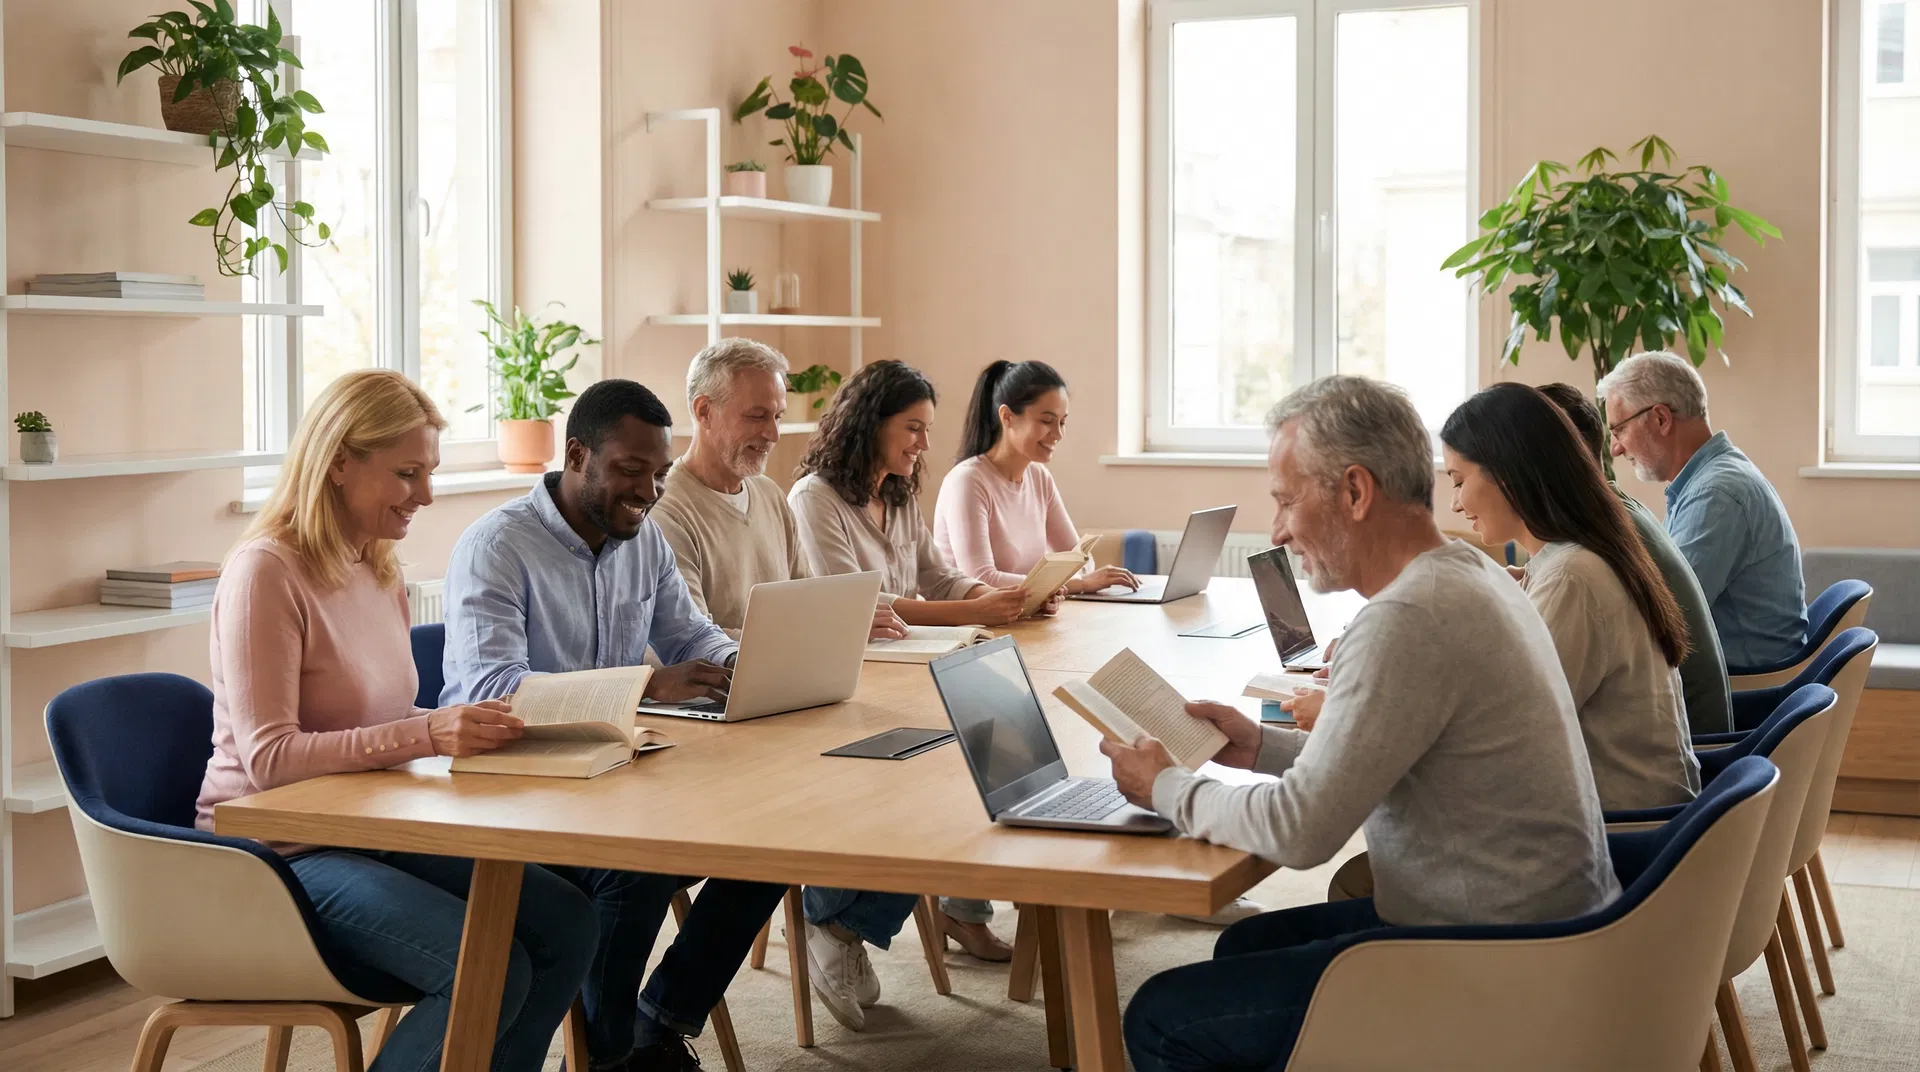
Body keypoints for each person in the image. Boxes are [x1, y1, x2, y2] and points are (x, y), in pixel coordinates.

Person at [1100, 375, 1620, 1072]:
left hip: (1491, 961)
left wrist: (1164, 786)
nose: (1278, 530)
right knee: (1245, 947)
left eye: (1287, 501)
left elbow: (1300, 831)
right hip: (1550, 928)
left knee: (1163, 1016)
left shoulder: (1405, 618)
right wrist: (1259, 747)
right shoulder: (1470, 571)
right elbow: (1392, 753)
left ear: (1354, 491)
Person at [195, 369, 620, 1072]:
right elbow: (270, 759)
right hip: (279, 853)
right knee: (485, 966)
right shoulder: (264, 572)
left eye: (431, 472)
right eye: (407, 473)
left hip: (372, 827)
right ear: (338, 462)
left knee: (569, 923)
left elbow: (385, 718)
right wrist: (428, 732)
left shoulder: (378, 567)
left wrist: (472, 723)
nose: (425, 494)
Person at [440, 378, 787, 1070]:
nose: (649, 491)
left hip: (613, 776)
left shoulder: (643, 540)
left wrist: (753, 664)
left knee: (774, 836)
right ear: (577, 456)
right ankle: (608, 1057)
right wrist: (647, 684)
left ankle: (659, 1019)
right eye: (631, 470)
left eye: (659, 473)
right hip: (515, 789)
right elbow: (493, 693)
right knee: (635, 867)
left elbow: (690, 633)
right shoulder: (497, 547)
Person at [786, 359, 1024, 1026]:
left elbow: (938, 578)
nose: (923, 443)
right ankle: (828, 920)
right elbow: (856, 603)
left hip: (909, 675)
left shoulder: (897, 496)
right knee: (927, 785)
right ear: (871, 424)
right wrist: (972, 611)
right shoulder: (813, 499)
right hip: (845, 685)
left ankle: (852, 923)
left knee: (973, 767)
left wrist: (996, 597)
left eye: (926, 429)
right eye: (912, 428)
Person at [1441, 383, 1701, 810]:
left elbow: (1504, 732)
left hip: (1626, 831)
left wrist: (1371, 706)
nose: (1454, 504)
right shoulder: (1572, 558)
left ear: (1509, 474)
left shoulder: (1572, 577)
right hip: (1630, 813)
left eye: (1458, 481)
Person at [652, 338, 906, 643]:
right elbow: (693, 641)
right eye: (757, 416)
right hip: (726, 676)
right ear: (704, 411)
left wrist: (845, 619)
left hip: (791, 668)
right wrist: (827, 629)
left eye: (778, 416)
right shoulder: (666, 510)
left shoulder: (770, 495)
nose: (773, 434)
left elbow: (805, 606)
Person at [1539, 382, 1732, 735]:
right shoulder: (1611, 514)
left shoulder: (1590, 546)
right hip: (1683, 733)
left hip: (1698, 742)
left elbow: (1538, 708)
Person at [1597, 350, 1808, 669]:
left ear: (1661, 419)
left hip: (1748, 683)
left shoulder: (1716, 494)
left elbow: (1665, 613)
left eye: (1619, 430)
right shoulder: (1710, 479)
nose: (1615, 448)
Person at [932, 359, 1137, 596]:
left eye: (1062, 422)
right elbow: (981, 579)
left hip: (1023, 613)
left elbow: (1080, 560)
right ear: (1007, 417)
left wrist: (1062, 584)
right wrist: (1077, 584)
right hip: (971, 617)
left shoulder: (1039, 477)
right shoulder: (967, 481)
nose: (1058, 434)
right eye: (1046, 421)